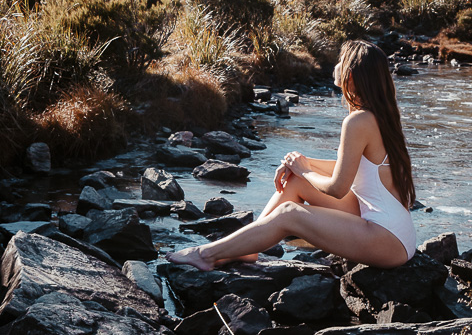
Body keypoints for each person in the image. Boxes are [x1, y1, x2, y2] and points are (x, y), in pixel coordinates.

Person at [166, 40, 416, 271]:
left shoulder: (358, 121)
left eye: (341, 60)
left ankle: (206, 254)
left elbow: (338, 188)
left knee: (289, 213)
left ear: (350, 75)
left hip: (387, 240)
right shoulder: (381, 115)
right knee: (296, 182)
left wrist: (305, 169)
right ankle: (246, 248)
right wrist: (297, 166)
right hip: (391, 229)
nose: (336, 65)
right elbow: (357, 169)